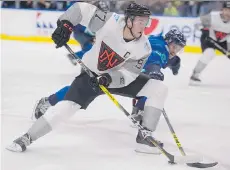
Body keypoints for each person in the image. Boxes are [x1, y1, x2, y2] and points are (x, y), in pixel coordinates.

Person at [6, 2, 185, 155]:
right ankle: (27, 137)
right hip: (90, 75)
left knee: (159, 88)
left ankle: (145, 136)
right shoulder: (110, 21)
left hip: (114, 79)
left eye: (146, 22)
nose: (144, 26)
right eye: (140, 21)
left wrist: (109, 79)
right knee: (66, 108)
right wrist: (66, 26)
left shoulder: (144, 47)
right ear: (129, 20)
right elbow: (80, 9)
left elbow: (129, 75)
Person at [190, 1, 230, 82]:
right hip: (208, 39)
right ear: (222, 10)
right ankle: (195, 74)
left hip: (223, 41)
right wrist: (204, 29)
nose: (228, 12)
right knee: (209, 53)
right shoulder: (212, 16)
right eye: (226, 10)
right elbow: (196, 22)